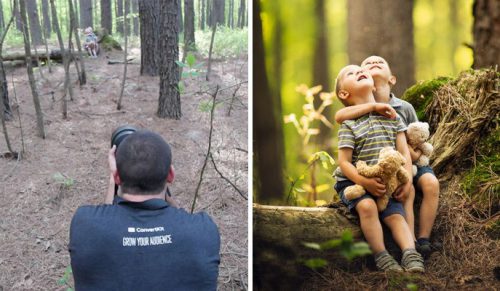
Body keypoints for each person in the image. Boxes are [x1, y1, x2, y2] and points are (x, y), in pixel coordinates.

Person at [69, 130, 221, 290]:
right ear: (170, 175)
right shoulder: (204, 230)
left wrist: (114, 176)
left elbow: (106, 218)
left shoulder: (84, 224)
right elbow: (180, 218)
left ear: (117, 177)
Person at [335, 56, 440, 257]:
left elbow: (414, 139)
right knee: (399, 200)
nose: (373, 63)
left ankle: (421, 241)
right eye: (365, 65)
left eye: (380, 62)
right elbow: (340, 117)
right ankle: (410, 243)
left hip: (407, 164)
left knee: (425, 185)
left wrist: (408, 174)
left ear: (391, 79)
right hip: (377, 167)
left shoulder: (401, 109)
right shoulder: (357, 115)